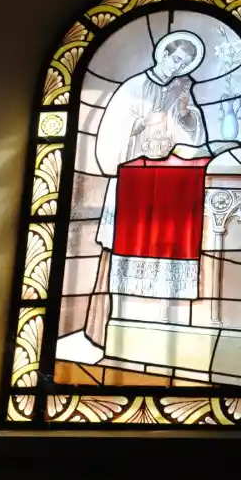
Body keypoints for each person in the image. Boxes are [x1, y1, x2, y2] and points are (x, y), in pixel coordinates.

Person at [84, 31, 209, 346]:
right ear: (163, 54)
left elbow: (193, 139)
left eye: (184, 64)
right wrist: (141, 125)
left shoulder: (180, 90)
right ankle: (106, 329)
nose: (177, 67)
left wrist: (185, 114)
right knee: (117, 250)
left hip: (165, 187)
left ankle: (154, 331)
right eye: (175, 59)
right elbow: (111, 139)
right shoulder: (133, 88)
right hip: (130, 183)